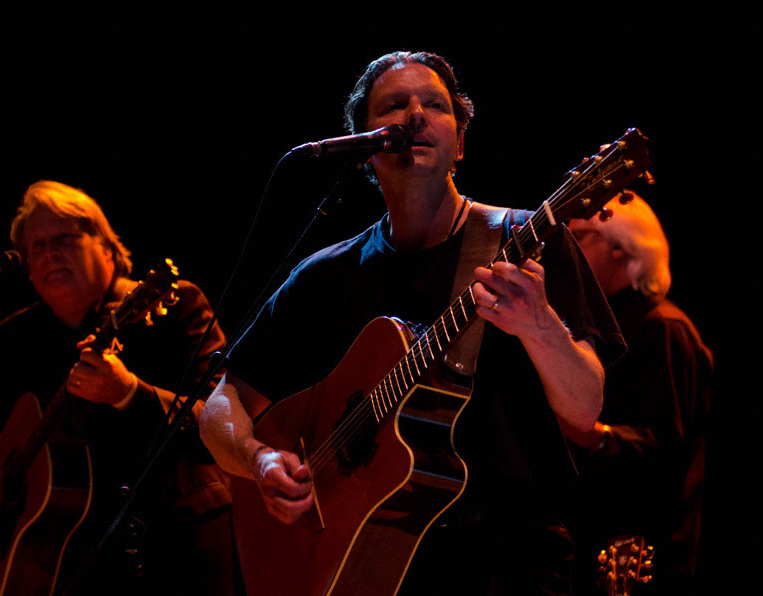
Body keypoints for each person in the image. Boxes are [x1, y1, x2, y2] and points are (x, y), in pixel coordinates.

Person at [199, 51, 624, 595]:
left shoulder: (527, 243)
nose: (414, 115)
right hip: (356, 563)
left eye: (435, 105)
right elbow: (219, 402)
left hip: (510, 562)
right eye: (394, 105)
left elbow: (587, 411)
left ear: (461, 143)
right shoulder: (324, 276)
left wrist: (541, 327)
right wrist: (258, 461)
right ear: (365, 150)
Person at [0, 180, 237, 595]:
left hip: (175, 549)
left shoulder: (176, 306)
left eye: (65, 236)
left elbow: (222, 426)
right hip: (63, 565)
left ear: (108, 249)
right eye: (37, 247)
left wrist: (130, 393)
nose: (50, 253)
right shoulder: (11, 342)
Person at [566, 192, 712, 595]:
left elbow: (664, 451)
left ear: (620, 248)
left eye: (579, 238)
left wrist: (583, 430)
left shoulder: (663, 328)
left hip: (633, 558)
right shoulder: (603, 327)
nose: (564, 250)